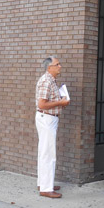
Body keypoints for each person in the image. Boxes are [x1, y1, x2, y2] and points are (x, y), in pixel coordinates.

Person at [35, 56, 70, 198]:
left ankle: (44, 182)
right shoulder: (46, 81)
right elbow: (42, 104)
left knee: (44, 152)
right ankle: (46, 188)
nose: (60, 66)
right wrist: (60, 103)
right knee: (48, 153)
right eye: (57, 64)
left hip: (48, 119)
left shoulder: (51, 81)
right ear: (49, 68)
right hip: (47, 119)